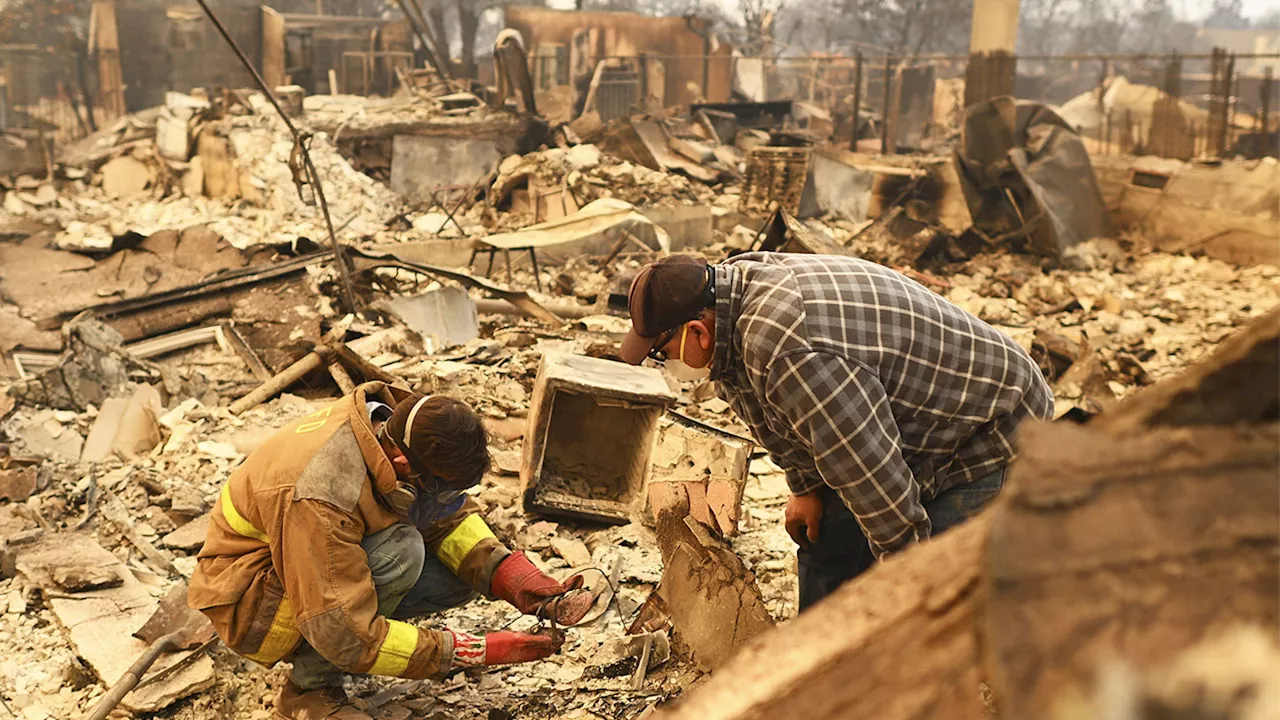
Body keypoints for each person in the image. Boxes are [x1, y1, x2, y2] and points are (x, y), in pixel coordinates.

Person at [619, 253, 1053, 609]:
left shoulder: (791, 352)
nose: (663, 365)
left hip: (991, 426)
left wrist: (908, 582)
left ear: (697, 330)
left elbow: (878, 481)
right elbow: (763, 409)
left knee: (931, 589)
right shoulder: (729, 303)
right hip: (911, 420)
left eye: (660, 354)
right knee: (826, 539)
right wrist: (805, 486)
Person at [189, 383, 593, 720]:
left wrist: (513, 578)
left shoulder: (402, 431)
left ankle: (356, 648)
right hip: (253, 601)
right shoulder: (322, 492)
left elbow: (444, 516)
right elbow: (342, 632)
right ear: (401, 461)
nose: (446, 498)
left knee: (458, 576)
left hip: (308, 567)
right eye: (440, 487)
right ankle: (307, 692)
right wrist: (472, 651)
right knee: (402, 551)